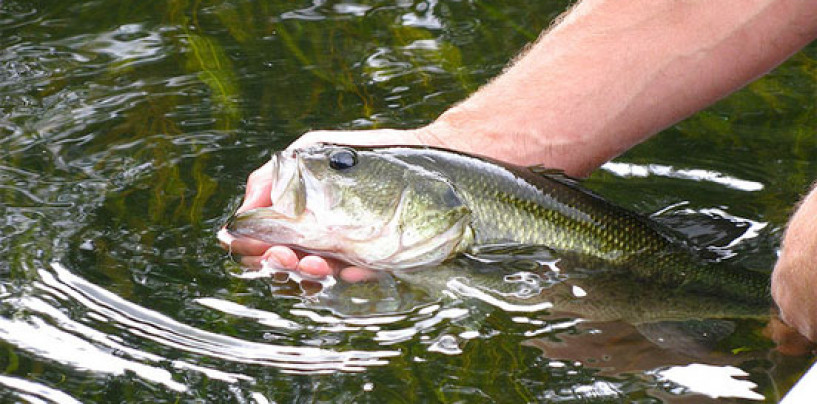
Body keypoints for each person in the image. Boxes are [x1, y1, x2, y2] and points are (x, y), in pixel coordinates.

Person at [221, 0, 817, 341]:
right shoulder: (454, 196)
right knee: (580, 353)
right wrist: (456, 142)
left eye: (343, 166)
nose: (320, 166)